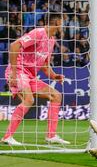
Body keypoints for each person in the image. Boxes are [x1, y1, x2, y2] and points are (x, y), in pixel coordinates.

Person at [1, 14, 70, 145]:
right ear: (56, 22)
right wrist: (14, 74)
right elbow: (14, 46)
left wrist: (54, 76)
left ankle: (51, 135)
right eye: (62, 22)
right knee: (29, 99)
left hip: (30, 76)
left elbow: (44, 65)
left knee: (56, 96)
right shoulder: (38, 33)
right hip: (19, 70)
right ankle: (7, 137)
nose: (63, 26)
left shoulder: (51, 40)